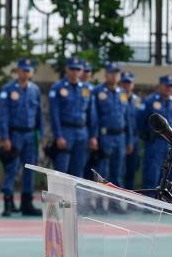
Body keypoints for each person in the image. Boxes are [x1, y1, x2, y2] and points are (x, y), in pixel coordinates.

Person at [0, 58, 43, 217]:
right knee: (12, 168)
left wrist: (40, 134)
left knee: (30, 170)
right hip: (14, 134)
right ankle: (8, 201)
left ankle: (27, 203)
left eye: (28, 70)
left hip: (30, 134)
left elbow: (38, 114)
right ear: (17, 71)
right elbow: (3, 115)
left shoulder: (35, 90)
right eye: (23, 70)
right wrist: (5, 137)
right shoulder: (8, 89)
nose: (25, 73)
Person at [91, 62, 132, 212]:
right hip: (105, 136)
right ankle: (100, 204)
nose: (114, 76)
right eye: (111, 73)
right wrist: (94, 137)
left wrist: (129, 139)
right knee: (102, 172)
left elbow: (127, 118)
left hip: (120, 136)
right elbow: (94, 117)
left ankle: (115, 204)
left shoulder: (122, 93)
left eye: (116, 73)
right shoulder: (97, 92)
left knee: (118, 172)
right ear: (105, 74)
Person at [48, 57, 98, 177]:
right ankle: (60, 196)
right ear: (66, 69)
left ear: (81, 71)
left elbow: (92, 114)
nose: (75, 72)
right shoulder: (58, 87)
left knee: (78, 171)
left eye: (78, 69)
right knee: (61, 171)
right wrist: (58, 136)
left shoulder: (86, 89)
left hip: (82, 132)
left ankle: (74, 196)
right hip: (65, 131)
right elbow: (54, 114)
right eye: (72, 69)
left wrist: (93, 136)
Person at [138, 75, 172, 195]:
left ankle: (166, 204)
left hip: (170, 144)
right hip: (155, 143)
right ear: (160, 86)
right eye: (166, 86)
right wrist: (147, 136)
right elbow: (140, 122)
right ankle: (149, 204)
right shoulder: (150, 101)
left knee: (169, 177)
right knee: (152, 173)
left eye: (170, 86)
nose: (168, 88)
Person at [120, 71, 142, 190]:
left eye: (129, 83)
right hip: (121, 136)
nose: (127, 85)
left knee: (132, 170)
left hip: (134, 138)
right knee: (119, 171)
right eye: (125, 82)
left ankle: (130, 201)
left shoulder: (137, 100)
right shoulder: (118, 98)